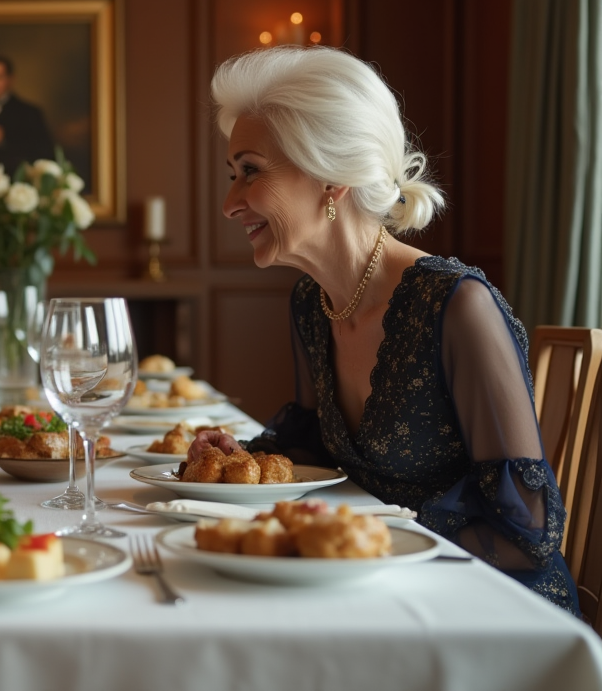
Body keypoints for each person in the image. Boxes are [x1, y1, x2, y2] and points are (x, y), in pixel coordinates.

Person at [195, 45, 579, 614]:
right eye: (233, 174)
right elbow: (316, 449)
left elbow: (528, 535)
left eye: (249, 171)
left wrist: (363, 537)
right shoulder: (313, 303)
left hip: (489, 611)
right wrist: (241, 458)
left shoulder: (455, 306)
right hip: (370, 589)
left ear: (330, 177)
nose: (230, 203)